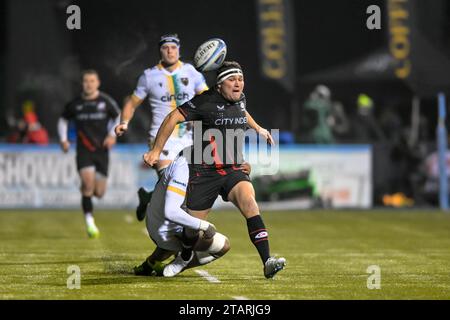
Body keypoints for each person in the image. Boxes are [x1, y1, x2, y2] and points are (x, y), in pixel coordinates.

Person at [143, 61, 286, 279]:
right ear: (220, 85)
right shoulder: (205, 101)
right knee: (192, 231)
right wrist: (156, 151)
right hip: (204, 171)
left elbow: (242, 112)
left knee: (250, 202)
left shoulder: (240, 98)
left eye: (241, 79)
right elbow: (173, 117)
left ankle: (267, 261)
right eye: (232, 79)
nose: (238, 84)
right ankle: (184, 257)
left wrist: (258, 129)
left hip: (233, 168)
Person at [114, 33, 208, 221]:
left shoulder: (192, 72)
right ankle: (180, 243)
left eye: (173, 47)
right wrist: (124, 122)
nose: (170, 51)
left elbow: (207, 99)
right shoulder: (149, 76)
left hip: (189, 139)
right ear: (160, 51)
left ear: (179, 50)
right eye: (166, 48)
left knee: (182, 191)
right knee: (172, 187)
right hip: (161, 139)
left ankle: (148, 197)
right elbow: (131, 103)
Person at [134, 149, 240, 277]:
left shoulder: (194, 162)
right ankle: (181, 262)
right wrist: (205, 226)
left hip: (159, 224)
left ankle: (149, 264)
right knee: (223, 245)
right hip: (165, 231)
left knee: (188, 222)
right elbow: (171, 212)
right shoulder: (184, 167)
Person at [58, 69, 120, 238]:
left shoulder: (105, 101)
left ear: (97, 83)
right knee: (87, 185)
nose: (89, 84)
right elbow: (63, 119)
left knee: (99, 192)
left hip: (102, 151)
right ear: (82, 83)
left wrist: (112, 135)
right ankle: (90, 223)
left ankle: (88, 191)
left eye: (92, 81)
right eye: (86, 81)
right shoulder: (75, 104)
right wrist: (63, 139)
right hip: (83, 150)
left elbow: (118, 117)